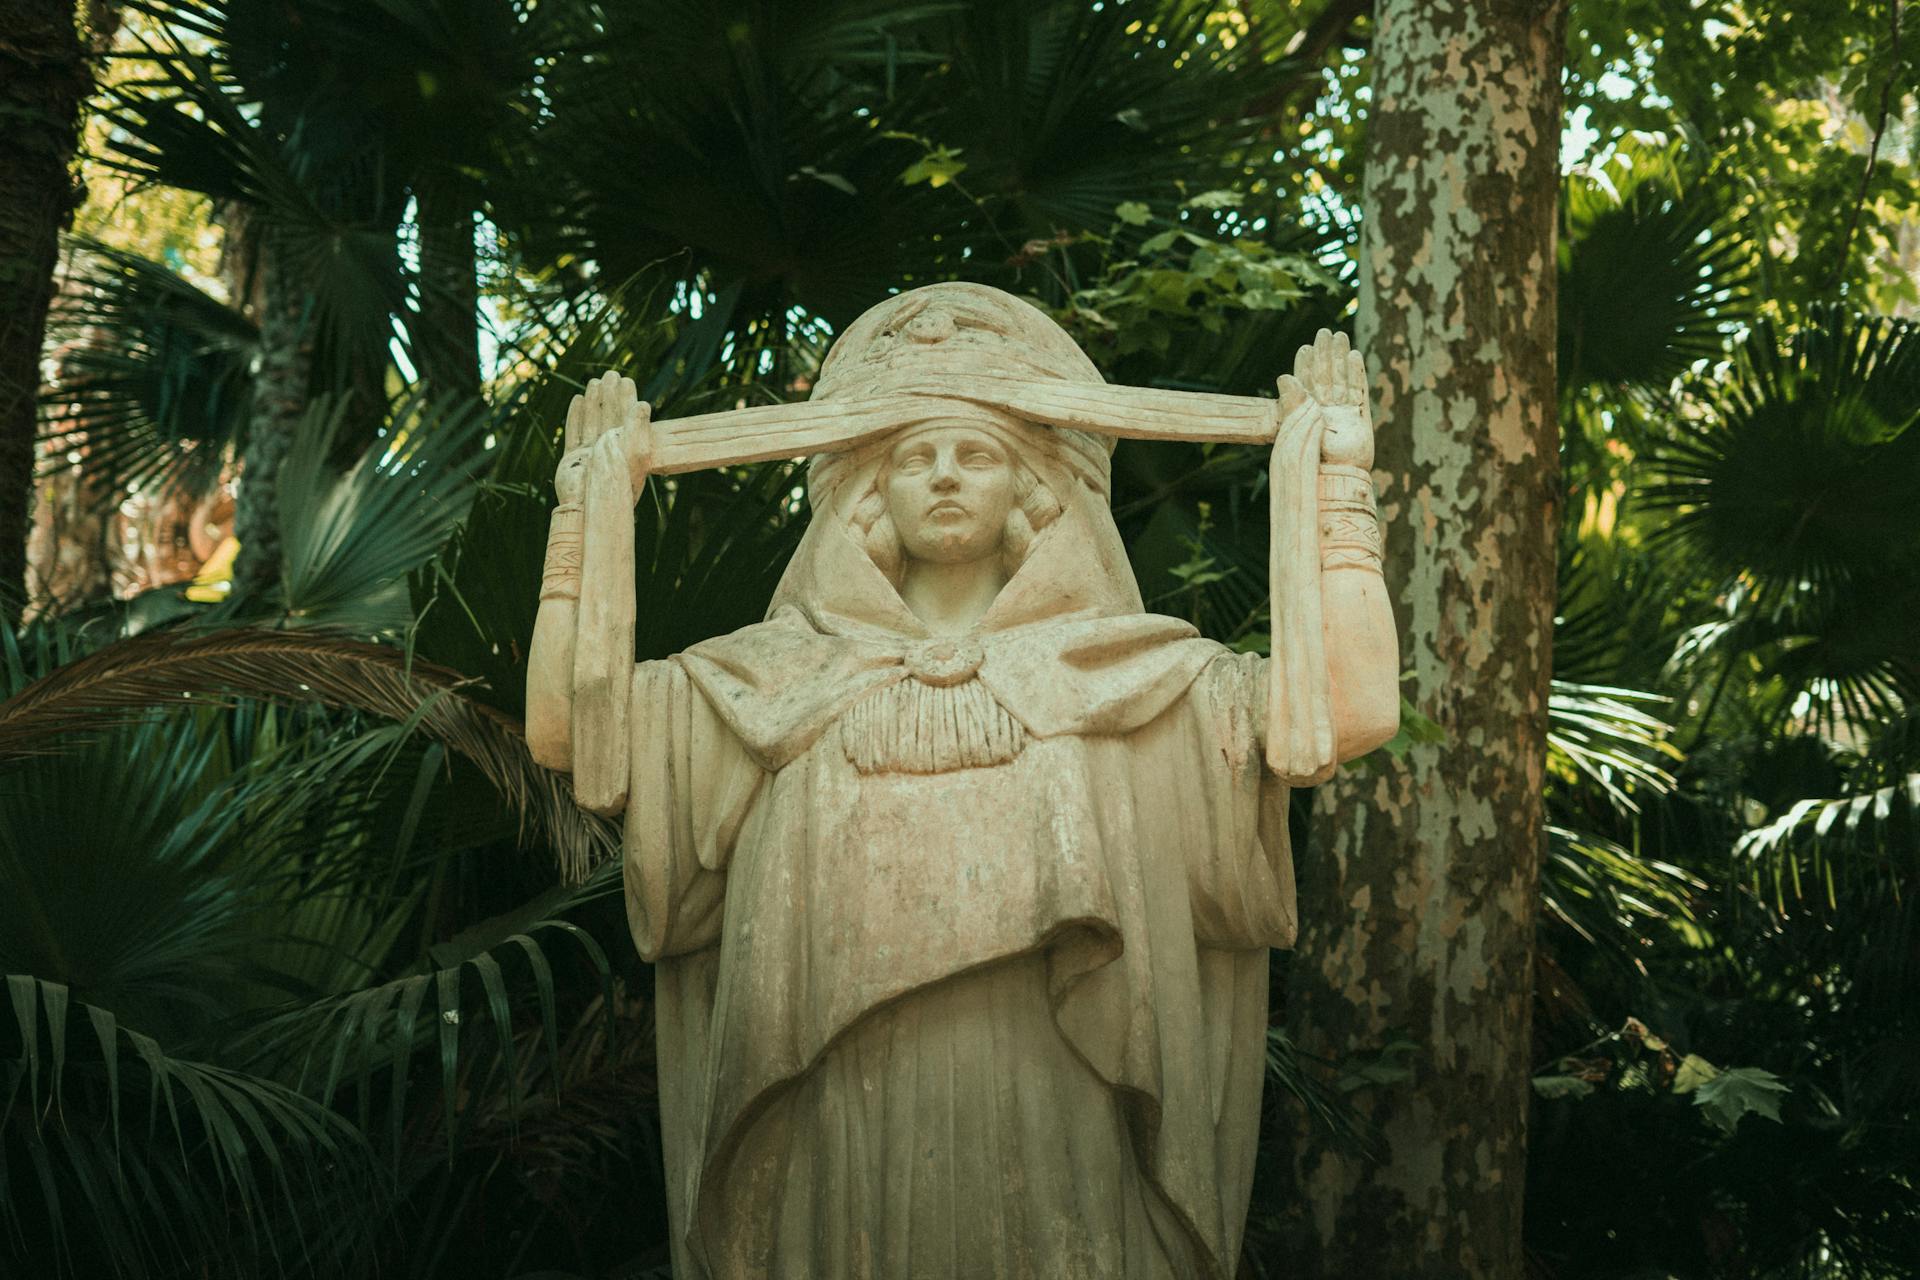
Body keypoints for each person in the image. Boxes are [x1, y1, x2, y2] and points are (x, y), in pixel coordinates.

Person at [527, 283, 1398, 1279]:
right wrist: (584, 514)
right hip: (834, 1125)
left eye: (977, 452)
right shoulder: (768, 679)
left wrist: (1338, 483)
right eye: (914, 454)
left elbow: (1354, 704)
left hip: (1063, 1119)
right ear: (872, 491)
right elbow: (566, 728)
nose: (944, 474)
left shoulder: (1141, 675)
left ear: (1032, 488)